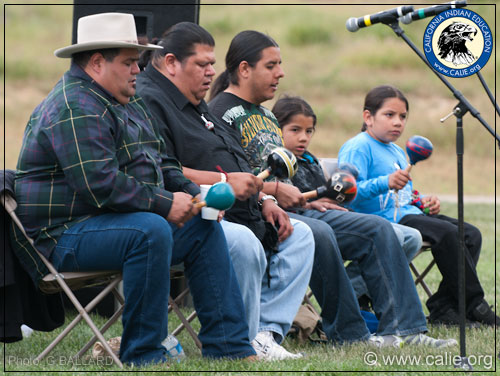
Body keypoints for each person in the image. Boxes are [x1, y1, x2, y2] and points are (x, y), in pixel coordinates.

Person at [11, 13, 256, 366]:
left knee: (203, 226)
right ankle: (144, 355)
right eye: (129, 62)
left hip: (110, 223)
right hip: (62, 236)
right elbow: (101, 184)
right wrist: (167, 202)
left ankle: (230, 347)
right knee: (150, 230)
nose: (139, 71)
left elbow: (162, 163)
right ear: (97, 62)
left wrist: (192, 194)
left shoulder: (128, 101)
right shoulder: (75, 105)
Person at [208, 30, 457, 348]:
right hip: (259, 215)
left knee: (378, 229)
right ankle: (349, 334)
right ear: (245, 69)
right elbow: (228, 176)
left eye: (280, 64)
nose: (281, 73)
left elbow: (287, 179)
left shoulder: (267, 116)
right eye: (272, 65)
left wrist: (312, 200)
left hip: (299, 208)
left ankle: (407, 331)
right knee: (320, 234)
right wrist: (271, 193)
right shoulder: (221, 113)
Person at [136, 22, 314, 361]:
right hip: (185, 213)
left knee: (300, 232)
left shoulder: (192, 98)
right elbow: (160, 169)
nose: (212, 72)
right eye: (202, 64)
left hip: (232, 206)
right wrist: (224, 184)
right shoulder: (150, 100)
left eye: (212, 64)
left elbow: (230, 161)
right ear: (171, 62)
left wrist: (263, 198)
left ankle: (265, 333)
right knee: (241, 242)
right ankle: (239, 343)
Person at [338, 84, 499, 326]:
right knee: (449, 234)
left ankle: (445, 307)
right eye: (389, 115)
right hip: (382, 220)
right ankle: (474, 303)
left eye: (403, 117)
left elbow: (404, 195)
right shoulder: (358, 147)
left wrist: (422, 203)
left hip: (408, 214)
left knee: (471, 234)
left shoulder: (396, 151)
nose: (398, 122)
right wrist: (385, 182)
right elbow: (347, 193)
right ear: (368, 117)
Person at [271, 95, 422, 308]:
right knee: (392, 234)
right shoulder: (276, 161)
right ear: (276, 129)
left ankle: (352, 291)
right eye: (295, 130)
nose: (303, 138)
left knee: (412, 237)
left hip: (335, 217)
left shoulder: (310, 160)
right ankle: (346, 299)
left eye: (309, 131)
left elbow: (336, 194)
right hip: (311, 225)